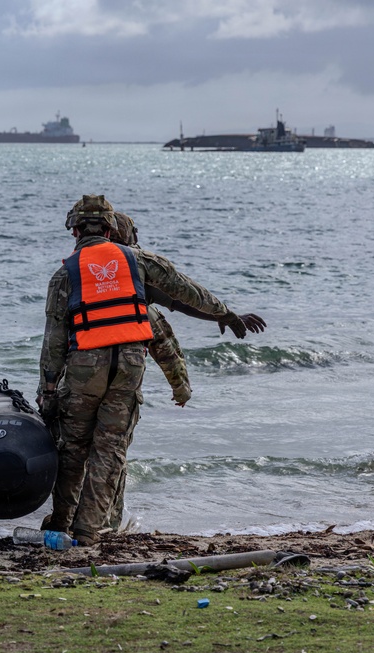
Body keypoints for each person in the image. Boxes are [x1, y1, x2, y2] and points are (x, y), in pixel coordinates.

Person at [38, 194, 249, 547]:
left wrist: (46, 391)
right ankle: (88, 530)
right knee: (110, 449)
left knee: (72, 448)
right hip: (129, 367)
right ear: (110, 227)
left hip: (84, 368)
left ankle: (60, 523)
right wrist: (224, 313)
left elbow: (54, 341)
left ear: (74, 231)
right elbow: (186, 290)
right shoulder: (138, 260)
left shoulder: (64, 275)